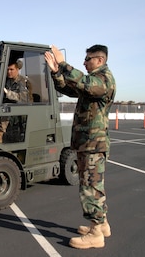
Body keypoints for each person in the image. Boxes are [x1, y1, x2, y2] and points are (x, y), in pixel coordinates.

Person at [44, 45, 116, 249]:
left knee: (89, 187)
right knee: (95, 186)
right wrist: (56, 72)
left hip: (93, 143)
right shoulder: (93, 82)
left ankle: (95, 233)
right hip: (88, 143)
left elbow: (83, 82)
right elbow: (69, 88)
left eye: (88, 59)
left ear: (99, 60)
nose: (84, 62)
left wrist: (63, 63)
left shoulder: (103, 80)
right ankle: (102, 225)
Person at [0, 59, 33, 143]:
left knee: (5, 111)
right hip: (11, 107)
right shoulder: (7, 81)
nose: (9, 72)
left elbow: (23, 98)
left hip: (23, 108)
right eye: (7, 69)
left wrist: (7, 92)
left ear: (17, 69)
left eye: (11, 69)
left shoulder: (23, 82)